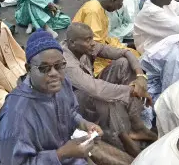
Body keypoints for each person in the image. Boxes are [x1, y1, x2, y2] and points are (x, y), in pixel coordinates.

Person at [0, 30, 117, 165]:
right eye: (44, 68)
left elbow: (70, 112)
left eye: (59, 66)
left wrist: (84, 123)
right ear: (28, 69)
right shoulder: (16, 114)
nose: (54, 73)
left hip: (58, 158)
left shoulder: (62, 84)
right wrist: (62, 154)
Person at [62, 23, 155, 156]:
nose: (93, 43)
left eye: (92, 38)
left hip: (91, 87)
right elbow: (96, 89)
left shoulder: (85, 47)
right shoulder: (67, 63)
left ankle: (136, 124)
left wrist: (140, 76)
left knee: (123, 63)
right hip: (74, 104)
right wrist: (132, 90)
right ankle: (123, 138)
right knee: (101, 97)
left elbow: (125, 52)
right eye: (88, 40)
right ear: (72, 43)